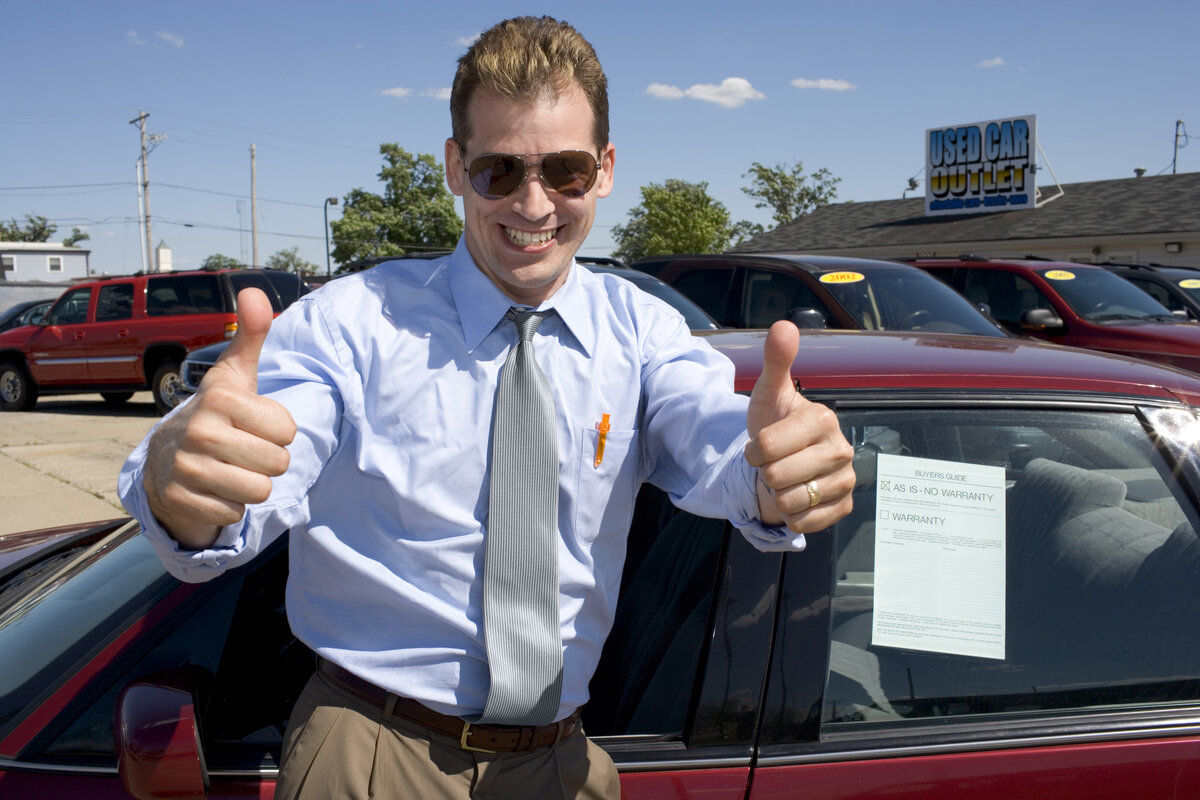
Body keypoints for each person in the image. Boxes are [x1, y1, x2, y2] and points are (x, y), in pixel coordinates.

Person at [119, 15, 855, 800]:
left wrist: (776, 472)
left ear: (604, 170)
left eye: (566, 171)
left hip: (561, 759)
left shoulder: (641, 331)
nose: (534, 205)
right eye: (500, 171)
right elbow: (252, 472)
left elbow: (713, 436)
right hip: (372, 753)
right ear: (455, 167)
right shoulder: (351, 325)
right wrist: (186, 484)